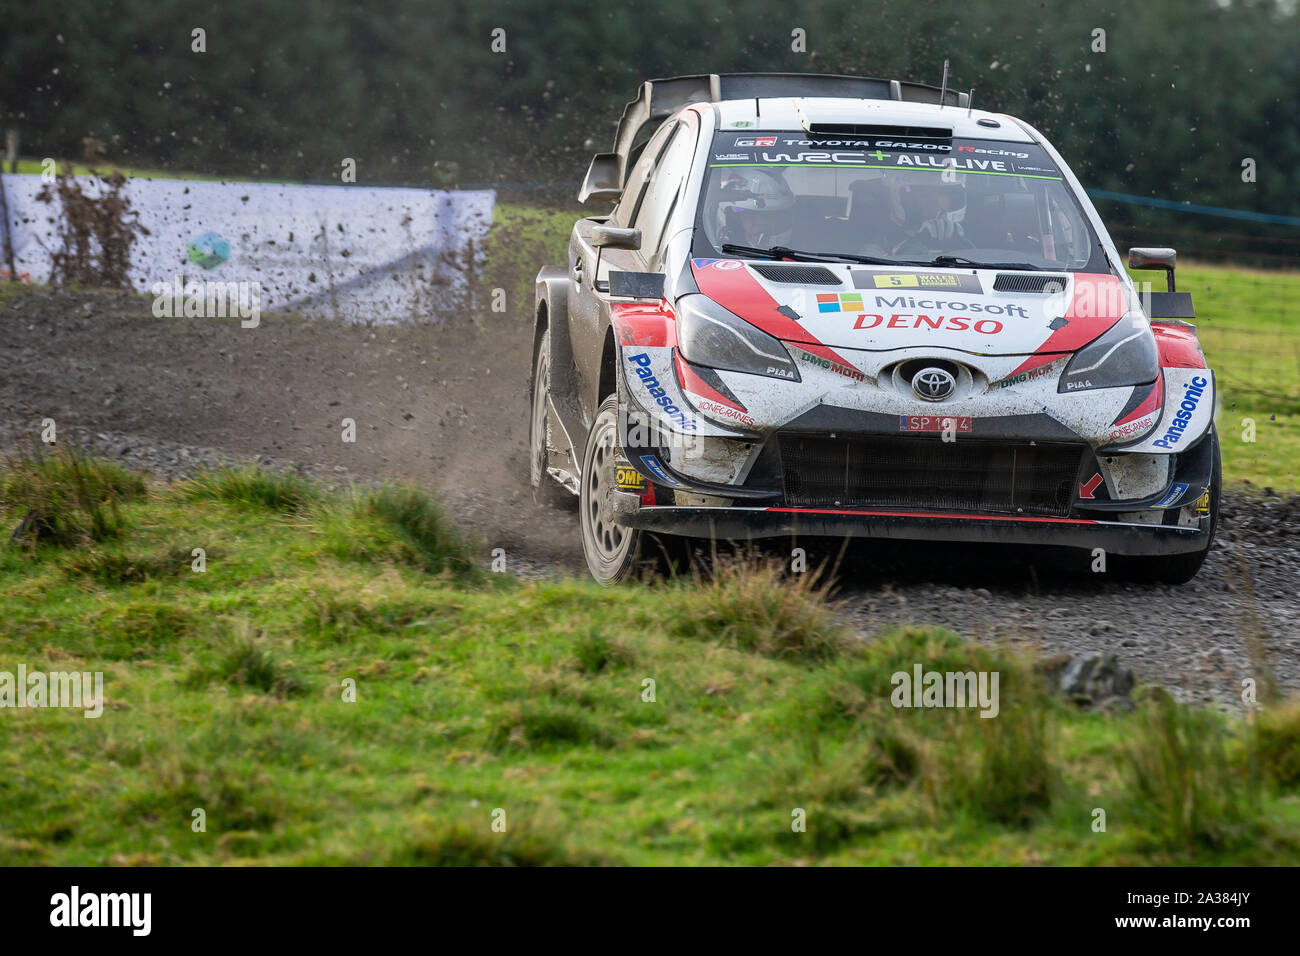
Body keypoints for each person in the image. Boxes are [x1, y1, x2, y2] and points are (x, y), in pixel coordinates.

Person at [713, 169, 796, 249]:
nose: (761, 221)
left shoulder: (802, 252)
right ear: (736, 218)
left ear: (781, 217)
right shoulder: (721, 254)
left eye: (768, 214)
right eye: (751, 213)